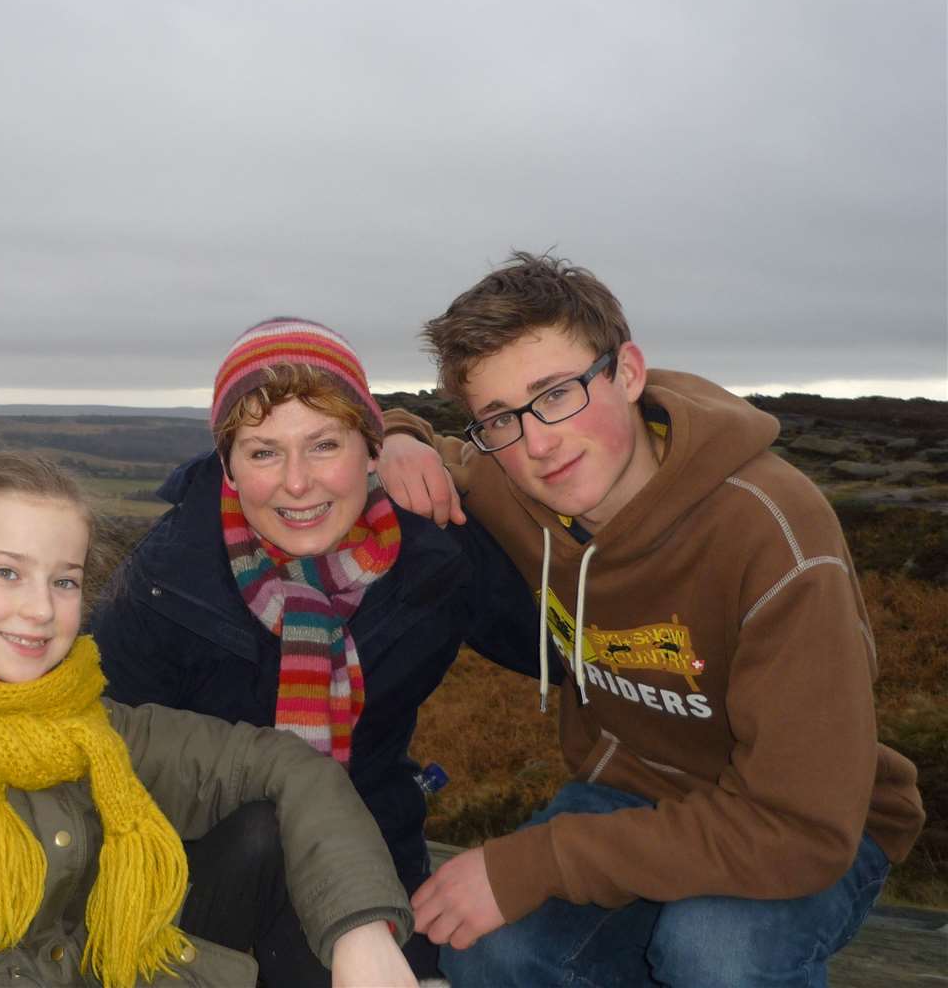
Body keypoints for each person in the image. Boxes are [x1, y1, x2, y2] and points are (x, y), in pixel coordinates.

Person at [375, 252, 926, 987]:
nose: (539, 441)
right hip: (633, 788)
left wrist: (538, 861)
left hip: (805, 822)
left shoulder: (774, 533)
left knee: (714, 953)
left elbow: (801, 829)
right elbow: (413, 443)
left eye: (558, 393)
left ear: (627, 372)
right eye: (500, 417)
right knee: (486, 948)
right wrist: (398, 435)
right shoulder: (516, 479)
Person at [0, 450, 419, 988]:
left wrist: (362, 935)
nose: (40, 609)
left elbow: (286, 766)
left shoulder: (80, 721)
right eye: (7, 573)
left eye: (63, 580)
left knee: (265, 831)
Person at [88, 316, 545, 982]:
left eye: (324, 444)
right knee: (265, 830)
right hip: (197, 876)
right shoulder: (165, 584)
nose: (297, 484)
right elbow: (92, 756)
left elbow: (576, 645)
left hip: (377, 854)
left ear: (370, 447)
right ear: (229, 466)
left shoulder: (431, 556)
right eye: (263, 451)